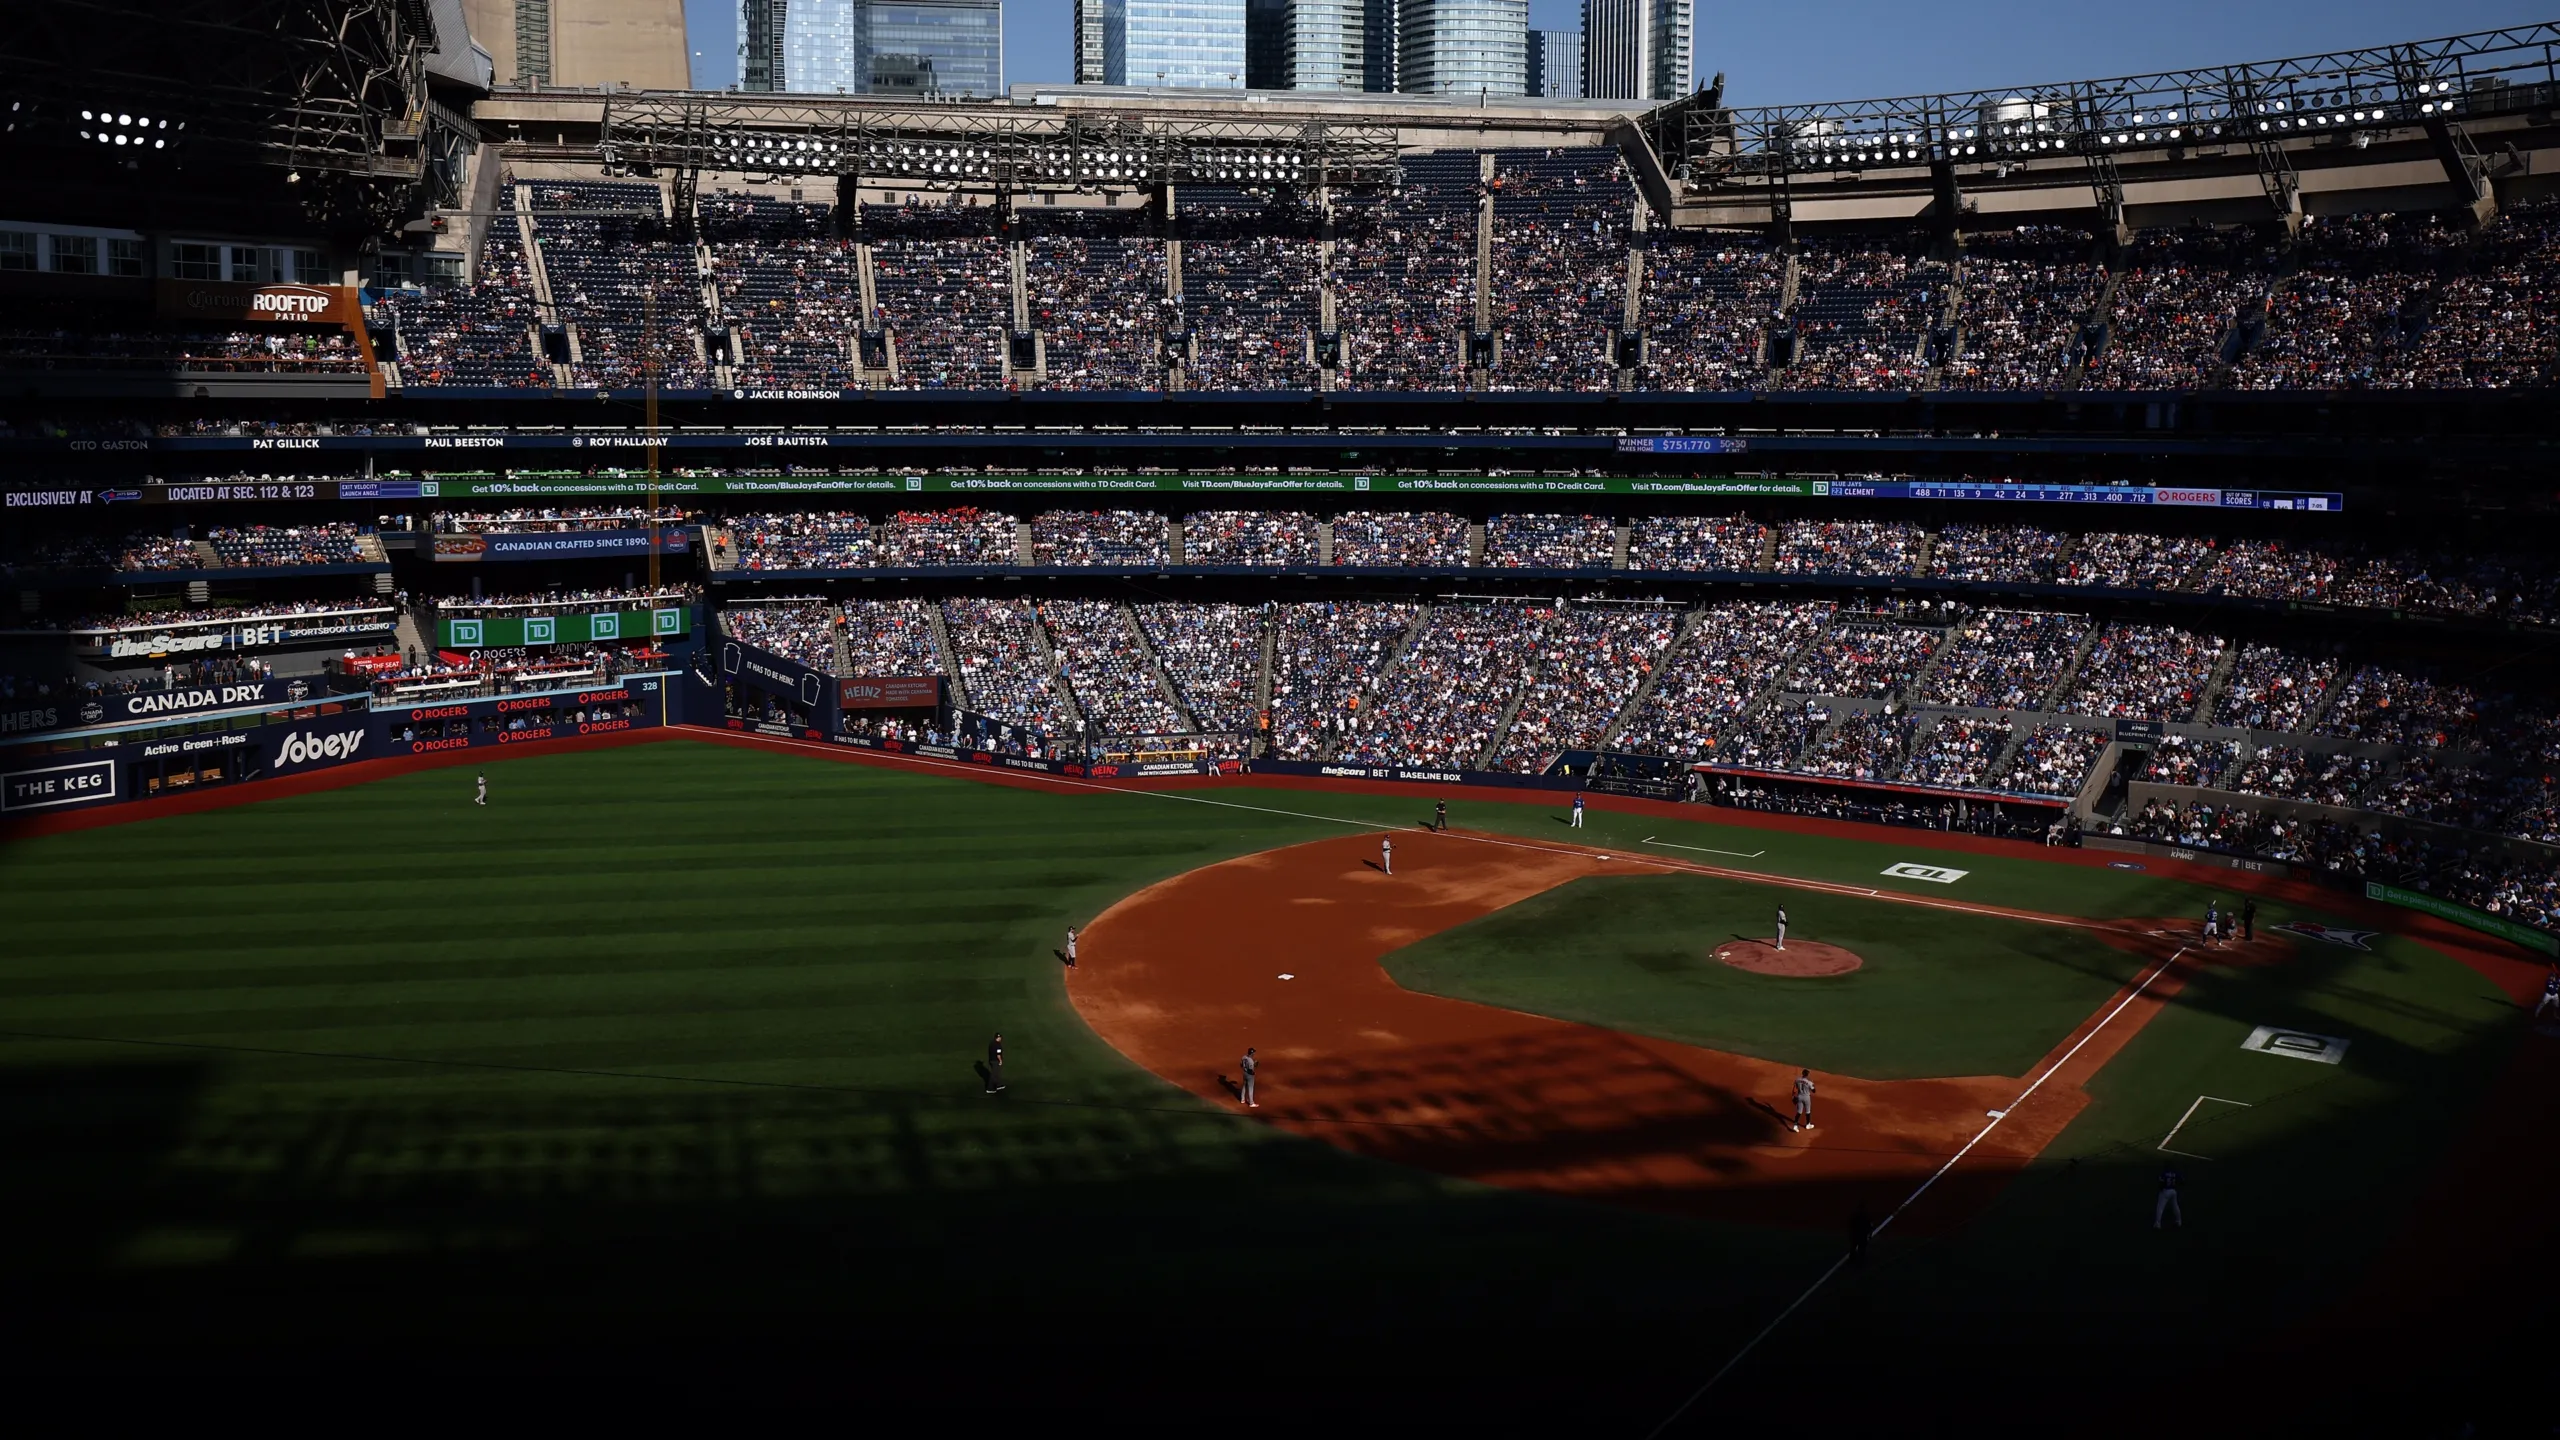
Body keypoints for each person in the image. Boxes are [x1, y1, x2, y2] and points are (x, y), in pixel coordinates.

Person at [1792, 1068, 1816, 1133]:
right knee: (1808, 1111)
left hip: (1799, 1096)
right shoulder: (1809, 1082)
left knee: (1799, 1112)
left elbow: (1794, 1089)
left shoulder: (1797, 1080)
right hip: (1806, 1098)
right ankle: (1808, 1124)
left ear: (1802, 1074)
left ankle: (1795, 1125)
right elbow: (1814, 1091)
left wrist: (1793, 1096)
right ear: (1807, 1075)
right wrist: (1813, 1085)